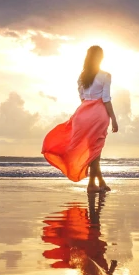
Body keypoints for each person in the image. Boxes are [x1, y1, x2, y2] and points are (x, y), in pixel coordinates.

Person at [42, 45, 119, 192]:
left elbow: (82, 97)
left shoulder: (82, 77)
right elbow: (106, 99)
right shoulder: (105, 76)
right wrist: (114, 119)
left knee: (92, 150)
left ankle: (99, 183)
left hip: (82, 114)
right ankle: (93, 184)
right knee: (95, 150)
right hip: (98, 114)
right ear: (101, 57)